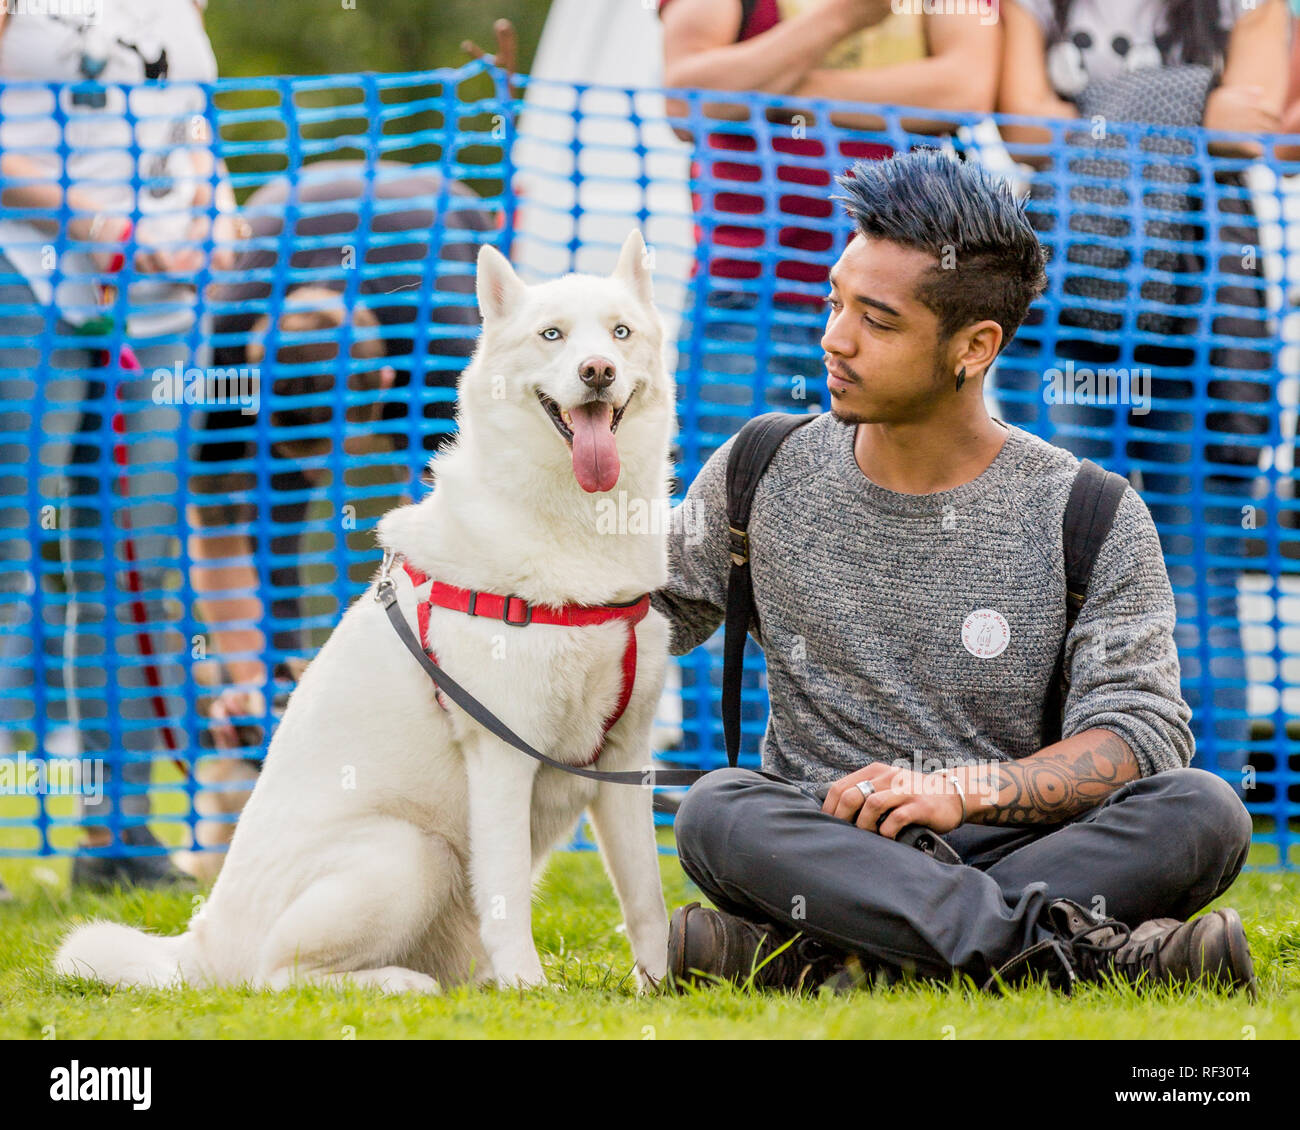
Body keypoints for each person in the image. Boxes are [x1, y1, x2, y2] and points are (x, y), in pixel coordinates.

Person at [652, 150, 1256, 995]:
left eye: (878, 321)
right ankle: (1084, 952)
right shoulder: (761, 464)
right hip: (830, 846)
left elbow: (1142, 735)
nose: (835, 338)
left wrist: (961, 792)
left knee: (1203, 812)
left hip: (1023, 841)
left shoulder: (1090, 509)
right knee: (719, 810)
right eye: (835, 302)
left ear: (974, 347)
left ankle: (833, 958)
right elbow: (638, 618)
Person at [995, 0, 1290, 791]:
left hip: (1208, 322)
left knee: (1196, 580)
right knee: (1057, 577)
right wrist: (1194, 103)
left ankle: (1203, 807)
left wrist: (1090, 112)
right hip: (1064, 316)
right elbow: (1024, 128)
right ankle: (1066, 797)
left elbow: (1263, 123)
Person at [0, 0, 241, 890]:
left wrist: (218, 216)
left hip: (165, 307)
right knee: (10, 554)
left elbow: (188, 132)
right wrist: (96, 224)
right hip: (23, 277)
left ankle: (120, 837)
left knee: (134, 564)